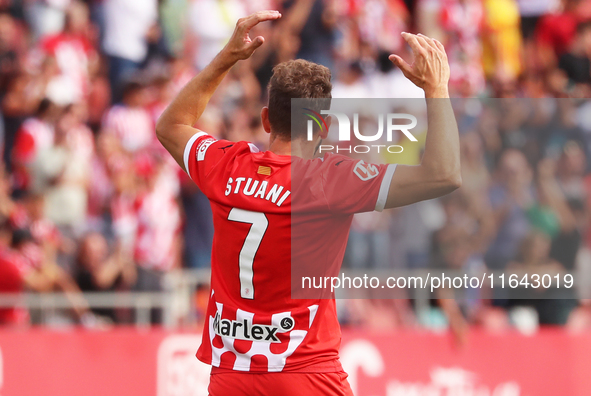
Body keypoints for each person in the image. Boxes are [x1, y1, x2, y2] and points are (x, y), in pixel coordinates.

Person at [156, 10, 460, 396]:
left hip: (231, 375)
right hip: (305, 371)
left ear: (266, 119)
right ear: (324, 127)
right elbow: (444, 173)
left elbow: (171, 126)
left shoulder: (226, 165)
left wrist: (226, 59)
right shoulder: (332, 180)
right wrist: (437, 89)